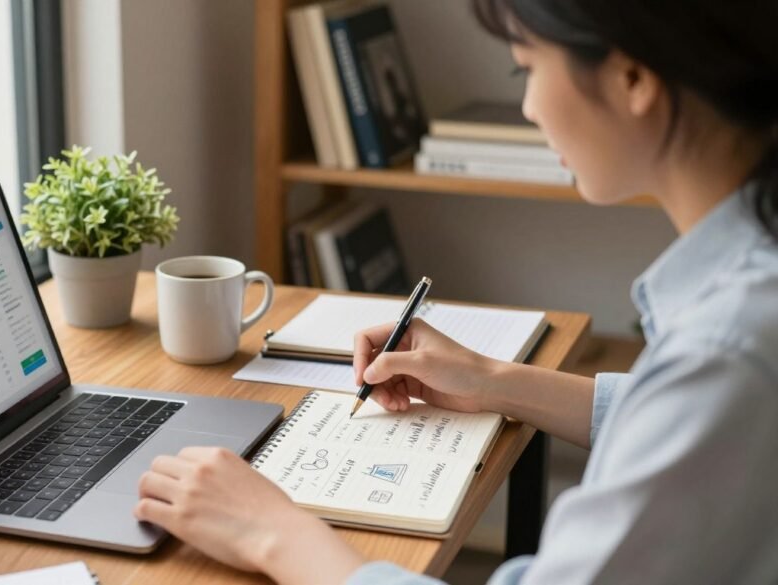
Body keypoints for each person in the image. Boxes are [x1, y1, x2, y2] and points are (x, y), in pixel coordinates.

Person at [132, 0, 778, 582]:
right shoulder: (741, 311)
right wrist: (490, 377)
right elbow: (672, 416)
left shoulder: (727, 346)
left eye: (525, 68)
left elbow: (703, 392)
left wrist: (273, 531)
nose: (527, 107)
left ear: (633, 77)